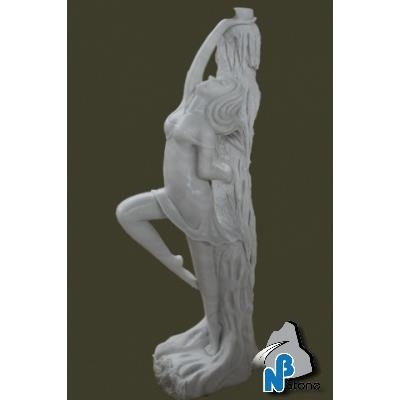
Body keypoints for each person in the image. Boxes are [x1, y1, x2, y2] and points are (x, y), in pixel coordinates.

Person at [116, 16, 255, 355]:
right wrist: (221, 28)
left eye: (218, 82)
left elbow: (206, 169)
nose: (211, 78)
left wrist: (226, 172)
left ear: (220, 98)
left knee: (208, 278)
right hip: (171, 195)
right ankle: (174, 264)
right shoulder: (186, 104)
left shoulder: (205, 126)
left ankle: (216, 339)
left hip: (195, 204)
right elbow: (197, 65)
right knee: (126, 213)